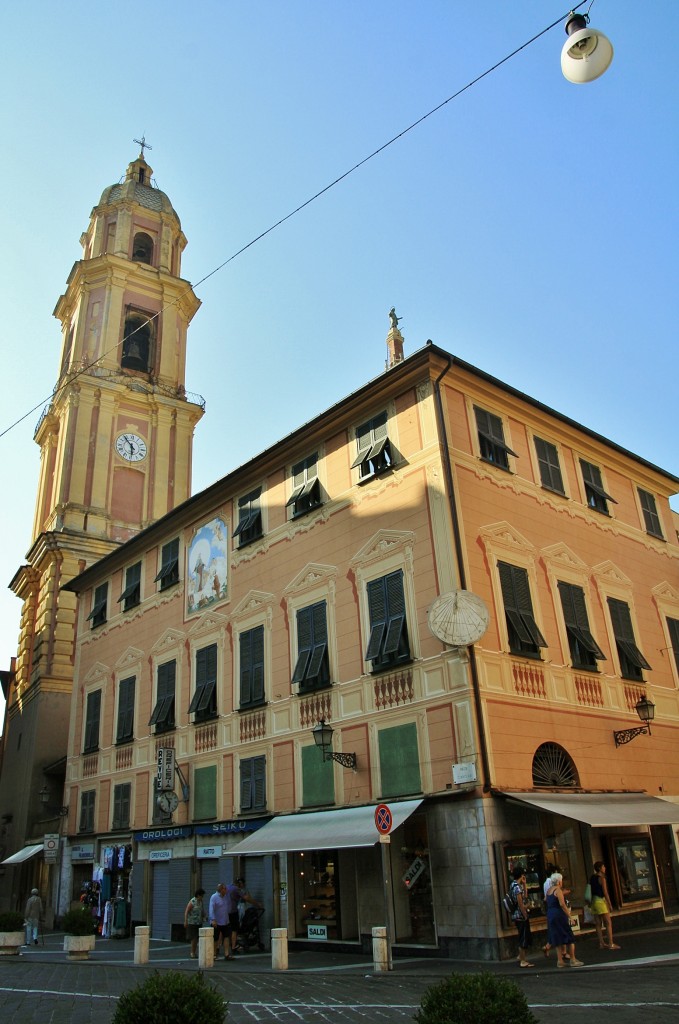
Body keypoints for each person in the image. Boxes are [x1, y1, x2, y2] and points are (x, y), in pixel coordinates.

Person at [545, 872, 583, 967]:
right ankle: (573, 959)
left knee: (557, 938)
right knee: (569, 936)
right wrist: (570, 916)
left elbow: (547, 900)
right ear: (558, 881)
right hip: (559, 915)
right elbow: (562, 904)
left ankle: (560, 961)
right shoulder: (558, 890)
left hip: (550, 914)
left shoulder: (549, 890)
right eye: (561, 881)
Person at [589, 860, 620, 950]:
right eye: (603, 866)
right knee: (608, 922)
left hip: (593, 901)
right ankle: (611, 943)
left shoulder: (592, 878)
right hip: (600, 901)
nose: (605, 868)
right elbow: (605, 892)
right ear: (599, 868)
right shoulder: (602, 878)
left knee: (598, 923)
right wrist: (609, 904)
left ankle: (601, 943)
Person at [510, 865, 534, 968]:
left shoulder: (513, 885)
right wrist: (525, 914)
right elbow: (521, 902)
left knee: (522, 935)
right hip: (520, 915)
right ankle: (523, 960)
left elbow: (524, 896)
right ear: (521, 875)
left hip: (516, 915)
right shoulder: (516, 887)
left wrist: (524, 885)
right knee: (523, 937)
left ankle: (521, 956)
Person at [208, 882, 233, 961]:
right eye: (225, 889)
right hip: (217, 921)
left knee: (226, 937)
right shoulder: (214, 897)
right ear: (221, 889)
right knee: (215, 938)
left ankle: (226, 954)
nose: (226, 890)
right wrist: (213, 919)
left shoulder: (226, 897)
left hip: (225, 920)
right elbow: (211, 908)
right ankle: (214, 954)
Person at [183, 887, 206, 959]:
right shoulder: (192, 901)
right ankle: (192, 952)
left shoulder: (200, 902)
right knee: (194, 938)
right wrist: (185, 921)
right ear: (198, 895)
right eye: (201, 895)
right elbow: (187, 911)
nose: (202, 897)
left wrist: (204, 915)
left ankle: (195, 951)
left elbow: (202, 910)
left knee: (197, 938)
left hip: (199, 922)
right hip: (192, 922)